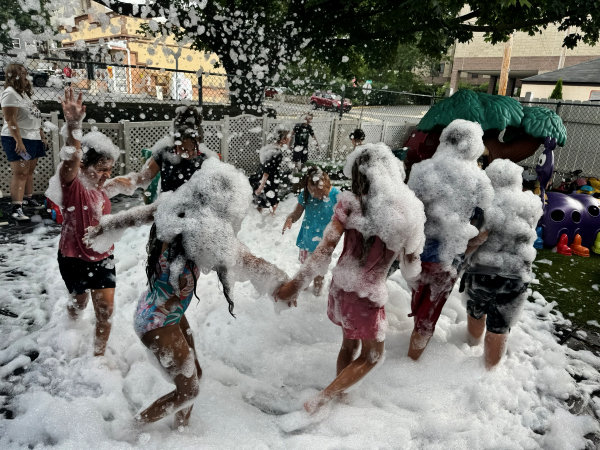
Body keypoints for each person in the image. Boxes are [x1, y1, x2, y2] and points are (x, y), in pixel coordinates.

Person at [84, 156, 293, 429]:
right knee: (188, 390)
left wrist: (105, 226)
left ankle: (181, 430)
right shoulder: (201, 231)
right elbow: (246, 261)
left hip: (164, 312)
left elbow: (135, 216)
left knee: (195, 375)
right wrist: (281, 282)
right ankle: (130, 430)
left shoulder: (176, 211)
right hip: (157, 322)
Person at [276, 142, 426, 414]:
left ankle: (340, 396)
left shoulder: (348, 203)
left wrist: (295, 285)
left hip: (341, 287)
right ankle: (323, 398)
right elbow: (411, 267)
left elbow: (323, 251)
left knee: (349, 344)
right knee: (373, 356)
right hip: (367, 295)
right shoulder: (407, 212)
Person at [47, 87, 132, 357]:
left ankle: (98, 357)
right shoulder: (73, 186)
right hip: (73, 257)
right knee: (80, 302)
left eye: (110, 169)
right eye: (101, 169)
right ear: (84, 167)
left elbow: (130, 181)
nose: (106, 175)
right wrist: (73, 126)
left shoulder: (102, 187)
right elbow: (71, 159)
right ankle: (69, 329)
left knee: (105, 311)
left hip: (102, 256)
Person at [406, 119, 494, 361]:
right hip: (447, 256)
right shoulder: (478, 180)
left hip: (416, 253)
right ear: (472, 145)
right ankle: (410, 362)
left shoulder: (422, 170)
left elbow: (409, 212)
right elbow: (483, 226)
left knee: (418, 303)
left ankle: (407, 358)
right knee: (428, 315)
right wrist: (468, 246)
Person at [460, 159, 542, 369]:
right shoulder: (532, 205)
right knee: (500, 327)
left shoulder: (488, 204)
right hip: (516, 274)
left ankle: (471, 347)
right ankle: (489, 371)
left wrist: (460, 257)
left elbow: (478, 237)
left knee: (476, 311)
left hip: (482, 272)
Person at [282, 166, 340, 295]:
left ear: (327, 184)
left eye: (321, 193)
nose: (317, 196)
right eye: (313, 193)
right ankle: (304, 292)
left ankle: (316, 293)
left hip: (324, 244)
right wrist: (290, 218)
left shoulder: (336, 195)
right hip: (307, 240)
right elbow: (297, 213)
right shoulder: (306, 195)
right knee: (305, 270)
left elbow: (342, 217)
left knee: (319, 272)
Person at [1, 63, 47, 220]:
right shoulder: (10, 93)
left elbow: (35, 117)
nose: (26, 77)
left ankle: (28, 199)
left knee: (29, 171)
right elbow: (10, 119)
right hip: (18, 138)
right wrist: (18, 141)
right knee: (20, 173)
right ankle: (17, 208)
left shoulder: (24, 94)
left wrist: (41, 135)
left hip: (32, 137)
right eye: (22, 73)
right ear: (13, 76)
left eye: (26, 73)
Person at [252, 129, 291, 214]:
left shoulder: (269, 148)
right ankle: (271, 217)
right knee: (273, 202)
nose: (290, 139)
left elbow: (263, 166)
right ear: (283, 139)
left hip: (262, 177)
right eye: (288, 138)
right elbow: (267, 170)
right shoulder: (277, 152)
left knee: (260, 201)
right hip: (269, 179)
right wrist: (261, 186)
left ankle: (260, 216)